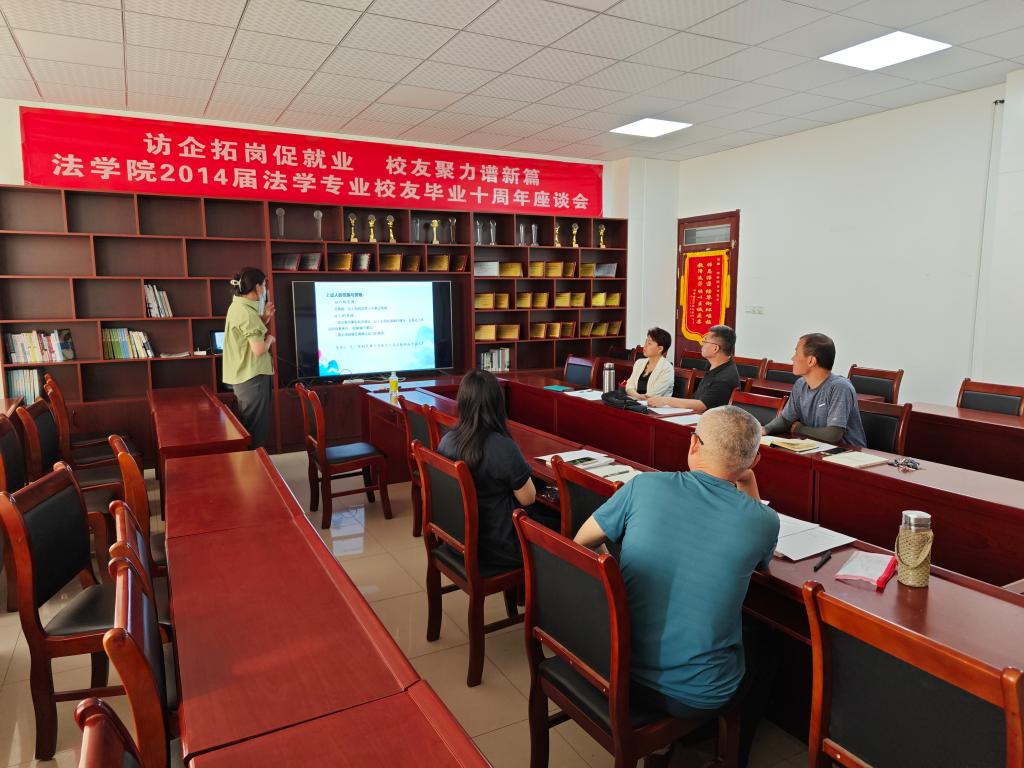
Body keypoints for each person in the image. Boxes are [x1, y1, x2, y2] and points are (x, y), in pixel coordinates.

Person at [574, 406, 779, 767]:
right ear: (756, 460)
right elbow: (763, 566)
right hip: (694, 696)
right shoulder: (763, 521)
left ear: (694, 444)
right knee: (763, 646)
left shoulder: (643, 486)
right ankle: (731, 756)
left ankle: (670, 745)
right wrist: (747, 480)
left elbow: (582, 543)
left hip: (615, 665)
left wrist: (615, 575)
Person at [437, 369, 539, 570]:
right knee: (559, 523)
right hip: (500, 547)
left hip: (458, 538)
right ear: (497, 403)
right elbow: (528, 498)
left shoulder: (447, 440)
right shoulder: (502, 446)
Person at [762, 333, 867, 447]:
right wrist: (765, 429)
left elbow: (833, 434)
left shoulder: (840, 387)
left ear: (811, 361)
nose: (792, 358)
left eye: (796, 353)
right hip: (815, 448)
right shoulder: (800, 384)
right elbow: (785, 420)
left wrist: (799, 429)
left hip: (847, 453)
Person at [222, 267, 275, 449]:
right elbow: (259, 349)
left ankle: (252, 463)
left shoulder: (237, 306)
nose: (265, 289)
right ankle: (254, 465)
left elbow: (248, 334)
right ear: (258, 287)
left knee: (249, 424)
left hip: (243, 376)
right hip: (253, 377)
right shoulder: (247, 312)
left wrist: (264, 318)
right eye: (264, 285)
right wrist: (270, 339)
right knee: (255, 429)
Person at [647, 325, 741, 412]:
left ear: (715, 348)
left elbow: (702, 405)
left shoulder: (725, 377)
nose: (702, 344)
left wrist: (666, 401)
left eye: (705, 341)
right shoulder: (713, 365)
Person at [624, 327, 674, 399]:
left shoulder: (667, 369)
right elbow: (629, 385)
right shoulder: (639, 363)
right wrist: (637, 396)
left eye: (649, 343)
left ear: (660, 349)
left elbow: (652, 395)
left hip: (655, 405)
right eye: (645, 342)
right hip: (635, 402)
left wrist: (637, 397)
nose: (645, 346)